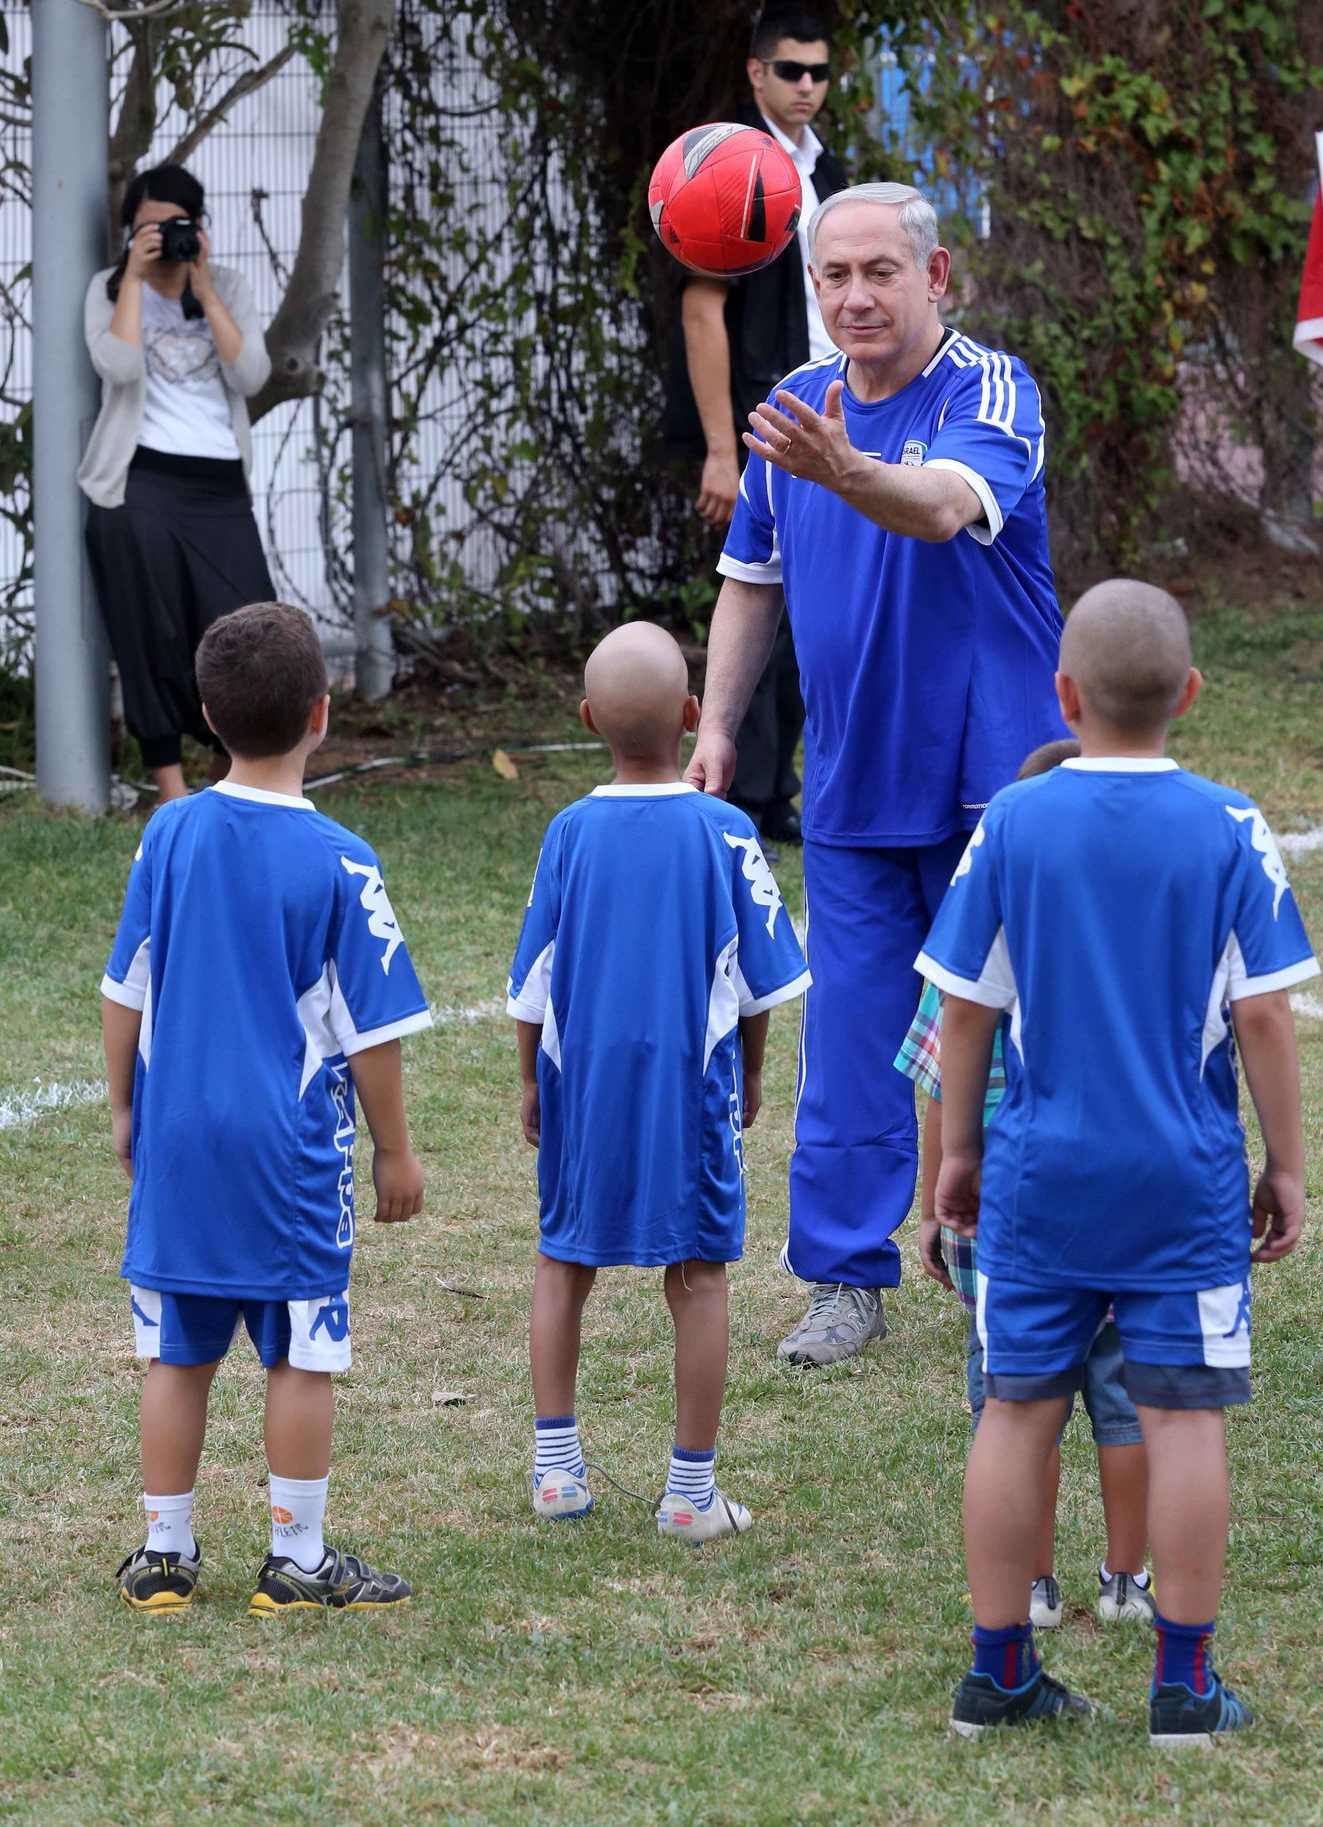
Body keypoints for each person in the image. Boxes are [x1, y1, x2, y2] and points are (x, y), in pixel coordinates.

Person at [922, 580, 1317, 1744]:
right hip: (1181, 1183)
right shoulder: (1229, 826)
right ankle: (1181, 1689)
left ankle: (998, 1676)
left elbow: (962, 1011)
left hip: (1040, 1176)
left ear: (1062, 695)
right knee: (1183, 1419)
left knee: (1015, 1409)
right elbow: (1263, 1020)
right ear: (1188, 696)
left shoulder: (1011, 820)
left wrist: (957, 1151)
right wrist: (1284, 1164)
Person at [688, 181, 1063, 1366]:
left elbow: (942, 508)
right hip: (851, 789)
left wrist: (845, 471)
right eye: (832, 276)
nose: (854, 295)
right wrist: (719, 731)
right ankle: (843, 1281)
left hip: (991, 791)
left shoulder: (989, 391)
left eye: (878, 273)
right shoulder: (795, 408)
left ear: (935, 275)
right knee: (847, 1043)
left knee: (1003, 1036)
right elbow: (751, 580)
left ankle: (1005, 1259)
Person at [102, 602, 431, 1616]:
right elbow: (370, 1029)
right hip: (285, 1151)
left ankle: (164, 1554)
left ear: (206, 714)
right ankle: (298, 1558)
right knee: (298, 1348)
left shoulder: (169, 833)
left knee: (177, 1349)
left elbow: (127, 988)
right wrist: (394, 1152)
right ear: (323, 714)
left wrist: (123, 1109)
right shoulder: (342, 860)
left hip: (180, 1140)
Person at [508, 622, 809, 1540]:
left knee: (565, 1262)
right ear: (690, 715)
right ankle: (691, 1491)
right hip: (690, 1089)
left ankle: (555, 1468)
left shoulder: (568, 833)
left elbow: (535, 982)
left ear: (590, 718)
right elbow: (759, 982)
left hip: (584, 1088)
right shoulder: (725, 831)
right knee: (702, 1277)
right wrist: (751, 1074)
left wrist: (530, 1082)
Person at [905, 738, 1154, 1632]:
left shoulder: (981, 932)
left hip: (1006, 1213)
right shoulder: (1136, 948)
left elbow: (937, 1087)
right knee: (1128, 1407)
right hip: (1133, 1208)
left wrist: (935, 1198)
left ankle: (1036, 1589)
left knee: (1015, 1407)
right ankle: (1129, 1583)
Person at [666, 5, 847, 848]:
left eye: (817, 72)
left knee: (820, 606)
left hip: (828, 415)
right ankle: (745, 794)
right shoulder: (730, 164)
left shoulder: (830, 173)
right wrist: (717, 449)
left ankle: (781, 794)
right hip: (757, 426)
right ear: (755, 74)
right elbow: (703, 310)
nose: (805, 86)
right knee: (758, 601)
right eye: (789, 71)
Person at [82, 163, 276, 805]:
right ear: (129, 232)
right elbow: (118, 365)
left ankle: (239, 784)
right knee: (151, 633)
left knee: (251, 635)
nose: (162, 238)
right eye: (147, 228)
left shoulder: (229, 285)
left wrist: (204, 288)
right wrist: (136, 279)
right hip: (142, 485)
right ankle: (170, 789)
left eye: (175, 226)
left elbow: (250, 375)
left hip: (219, 489)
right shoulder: (108, 289)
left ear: (197, 226)